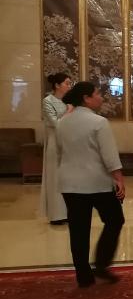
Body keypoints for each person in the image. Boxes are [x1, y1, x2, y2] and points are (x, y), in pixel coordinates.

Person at [56, 81, 125, 288]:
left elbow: (60, 151)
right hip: (97, 183)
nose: (101, 97)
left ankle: (83, 276)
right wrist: (119, 179)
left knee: (78, 229)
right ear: (86, 98)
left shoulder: (62, 122)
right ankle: (102, 264)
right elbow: (109, 156)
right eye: (97, 94)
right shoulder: (99, 122)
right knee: (115, 220)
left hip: (69, 183)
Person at [41, 72, 72, 224]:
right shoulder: (47, 101)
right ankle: (56, 215)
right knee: (55, 176)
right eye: (67, 83)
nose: (69, 86)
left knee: (68, 177)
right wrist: (69, 111)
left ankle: (69, 212)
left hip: (69, 142)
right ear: (57, 85)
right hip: (54, 141)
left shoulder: (69, 101)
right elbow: (56, 124)